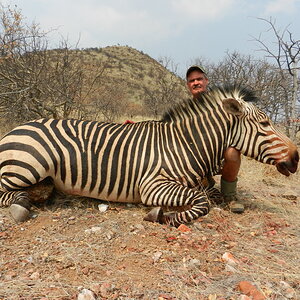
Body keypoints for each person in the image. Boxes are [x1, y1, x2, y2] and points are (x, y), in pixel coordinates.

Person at [186, 65, 244, 213]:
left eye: (199, 79)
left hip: (217, 155)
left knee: (232, 152)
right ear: (188, 85)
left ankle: (229, 197)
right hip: (192, 157)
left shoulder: (221, 104)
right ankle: (203, 183)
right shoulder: (185, 109)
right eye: (192, 80)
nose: (196, 83)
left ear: (206, 81)